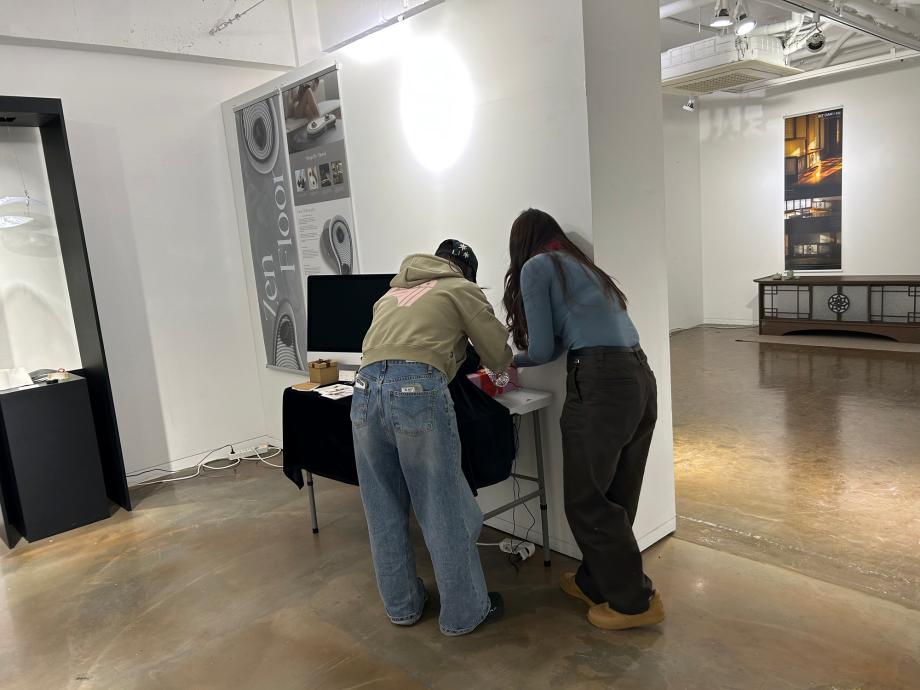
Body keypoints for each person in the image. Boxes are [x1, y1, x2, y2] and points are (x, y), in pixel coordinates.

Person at [502, 208, 664, 631]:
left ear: (521, 244)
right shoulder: (582, 266)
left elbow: (542, 350)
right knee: (617, 492)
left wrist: (508, 362)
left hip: (599, 383)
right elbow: (560, 342)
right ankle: (595, 582)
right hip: (638, 375)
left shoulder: (537, 266)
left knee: (586, 498)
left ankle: (635, 602)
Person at [352, 240, 513, 636]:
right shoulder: (460, 288)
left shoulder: (390, 294)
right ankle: (464, 613)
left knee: (382, 506)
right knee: (442, 506)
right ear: (467, 272)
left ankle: (403, 607)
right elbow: (497, 352)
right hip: (416, 392)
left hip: (364, 390)